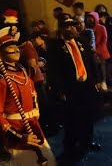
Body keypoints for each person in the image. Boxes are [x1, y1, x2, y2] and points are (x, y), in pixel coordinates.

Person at [0, 26, 56, 166]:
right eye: (10, 46)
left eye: (16, 45)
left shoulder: (23, 71)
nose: (16, 49)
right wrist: (17, 136)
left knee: (48, 160)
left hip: (34, 126)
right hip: (17, 131)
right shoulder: (0, 79)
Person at [47, 18, 101, 163]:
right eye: (67, 26)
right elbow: (54, 71)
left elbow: (91, 62)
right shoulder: (55, 47)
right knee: (72, 119)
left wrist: (97, 81)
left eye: (72, 25)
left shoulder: (82, 41)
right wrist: (59, 90)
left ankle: (87, 142)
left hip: (87, 86)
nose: (71, 28)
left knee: (89, 116)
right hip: (70, 89)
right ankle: (70, 146)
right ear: (61, 28)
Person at [85, 12, 110, 91]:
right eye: (88, 18)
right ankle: (97, 82)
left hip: (100, 50)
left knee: (102, 66)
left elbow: (104, 40)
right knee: (94, 67)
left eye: (91, 17)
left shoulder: (101, 27)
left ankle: (103, 81)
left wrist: (97, 50)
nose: (89, 19)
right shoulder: (86, 29)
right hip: (91, 51)